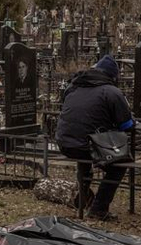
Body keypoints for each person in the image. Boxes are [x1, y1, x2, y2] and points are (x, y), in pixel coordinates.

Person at [56, 55, 135, 221]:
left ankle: (83, 196)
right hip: (89, 144)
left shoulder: (74, 86)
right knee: (119, 165)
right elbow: (127, 125)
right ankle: (99, 209)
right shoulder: (112, 92)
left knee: (85, 154)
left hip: (65, 142)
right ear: (113, 76)